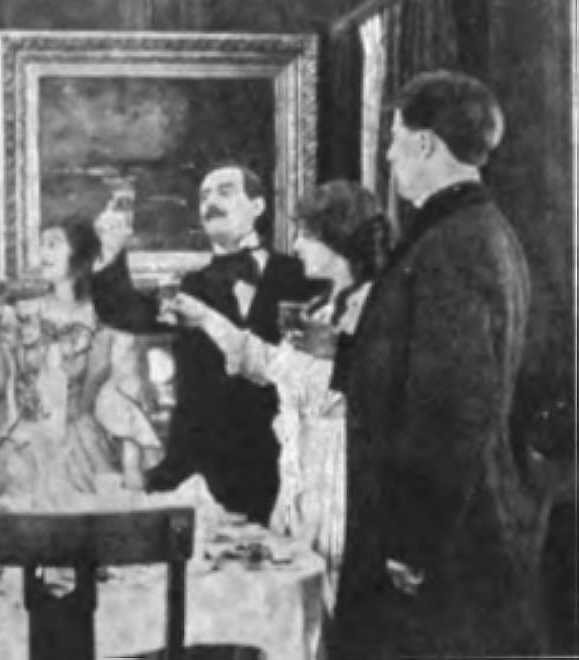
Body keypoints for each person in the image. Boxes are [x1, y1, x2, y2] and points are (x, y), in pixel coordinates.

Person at [329, 70, 542, 658]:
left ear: (424, 143)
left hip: (440, 543)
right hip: (451, 524)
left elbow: (450, 408)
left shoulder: (452, 245)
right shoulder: (476, 232)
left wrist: (413, 540)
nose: (389, 156)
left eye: (395, 139)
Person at [163, 180, 391, 612]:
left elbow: (366, 387)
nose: (297, 245)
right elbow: (269, 365)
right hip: (298, 476)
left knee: (333, 597)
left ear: (338, 240)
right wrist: (207, 318)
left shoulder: (375, 305)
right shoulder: (322, 306)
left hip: (339, 477)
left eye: (307, 235)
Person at [91, 161, 320, 522]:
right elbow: (125, 313)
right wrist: (111, 252)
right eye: (205, 197)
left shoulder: (302, 276)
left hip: (281, 467)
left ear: (258, 206)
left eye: (225, 192)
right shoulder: (191, 285)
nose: (211, 203)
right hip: (203, 467)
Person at [0, 217, 162, 499]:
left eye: (53, 244)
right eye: (41, 245)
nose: (43, 253)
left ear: (80, 255)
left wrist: (132, 466)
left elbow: (122, 395)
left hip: (83, 448)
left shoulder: (105, 320)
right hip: (23, 448)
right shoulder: (21, 314)